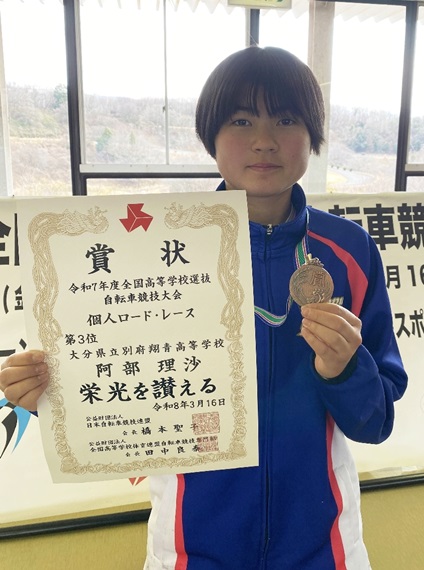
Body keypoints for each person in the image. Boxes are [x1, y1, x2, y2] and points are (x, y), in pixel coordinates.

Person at [0, 46, 407, 569]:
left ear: (315, 135)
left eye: (287, 119)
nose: (264, 140)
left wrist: (345, 370)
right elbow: (114, 374)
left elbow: (376, 422)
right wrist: (47, 390)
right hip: (190, 547)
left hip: (323, 545)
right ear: (209, 136)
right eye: (241, 120)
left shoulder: (350, 252)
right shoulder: (151, 249)